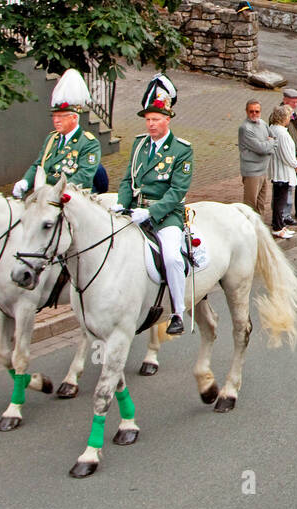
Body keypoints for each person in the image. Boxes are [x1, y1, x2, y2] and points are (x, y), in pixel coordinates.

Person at [116, 75, 193, 335]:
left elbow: (177, 191)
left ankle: (177, 312)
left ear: (167, 119)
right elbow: (128, 179)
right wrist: (121, 204)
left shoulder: (181, 150)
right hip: (136, 211)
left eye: (156, 120)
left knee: (171, 257)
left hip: (166, 215)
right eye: (148, 120)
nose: (151, 124)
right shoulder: (139, 144)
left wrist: (151, 212)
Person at [14, 69, 103, 198]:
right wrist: (25, 181)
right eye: (54, 116)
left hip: (70, 197)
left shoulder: (88, 143)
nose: (56, 120)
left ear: (74, 117)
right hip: (46, 195)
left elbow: (84, 176)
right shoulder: (52, 138)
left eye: (61, 116)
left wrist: (56, 192)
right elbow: (39, 165)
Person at [271, 88, 297, 220]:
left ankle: (287, 214)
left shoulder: (293, 115)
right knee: (284, 190)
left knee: (290, 188)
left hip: (295, 153)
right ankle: (283, 216)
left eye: (296, 102)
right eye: (293, 102)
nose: (295, 104)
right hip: (286, 159)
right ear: (285, 100)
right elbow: (281, 143)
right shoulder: (280, 115)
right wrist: (295, 162)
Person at [238, 98, 276, 215]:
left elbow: (275, 139)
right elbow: (261, 148)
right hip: (252, 172)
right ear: (246, 111)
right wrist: (269, 144)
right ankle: (248, 230)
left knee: (261, 203)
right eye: (251, 111)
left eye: (257, 111)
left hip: (263, 170)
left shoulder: (263, 123)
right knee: (250, 205)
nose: (254, 114)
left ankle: (260, 227)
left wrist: (268, 144)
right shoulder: (245, 128)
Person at [268, 105, 297, 239]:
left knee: (278, 200)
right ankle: (278, 227)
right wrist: (296, 165)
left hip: (276, 170)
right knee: (280, 201)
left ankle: (279, 225)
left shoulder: (272, 130)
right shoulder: (282, 134)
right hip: (283, 172)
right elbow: (287, 155)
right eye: (288, 116)